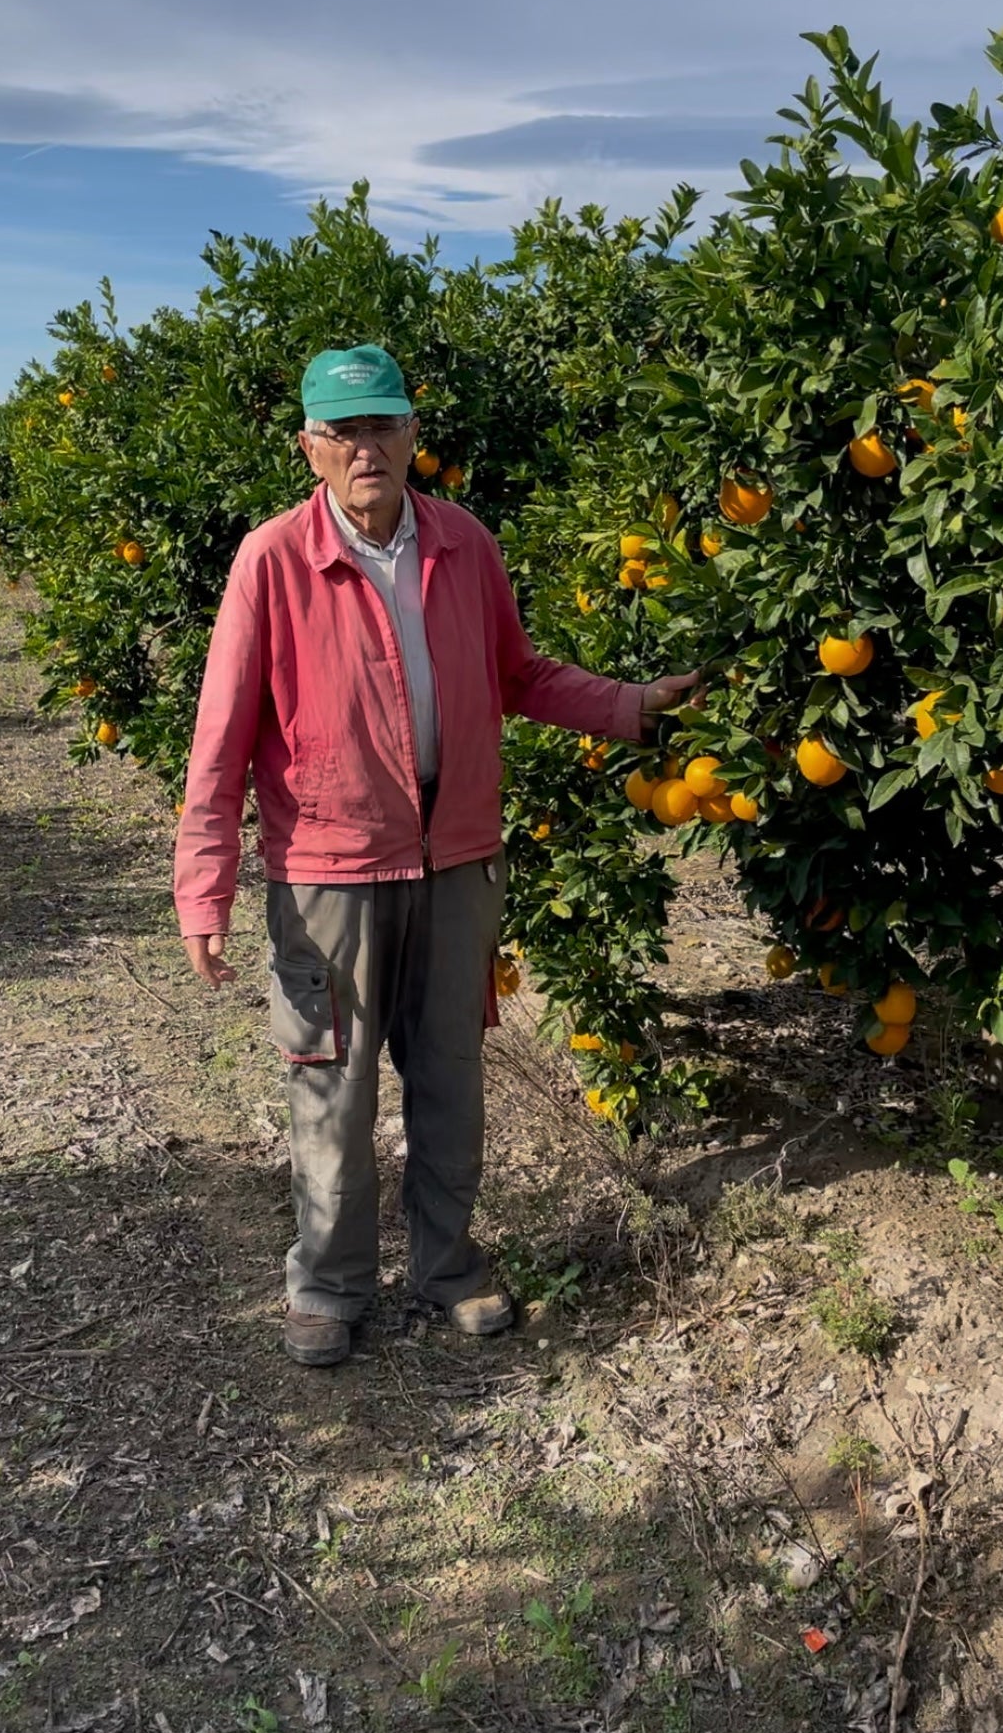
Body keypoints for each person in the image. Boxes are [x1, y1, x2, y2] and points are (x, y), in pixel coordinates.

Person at [175, 344, 700, 1366]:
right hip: (329, 874)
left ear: (414, 435)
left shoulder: (464, 543)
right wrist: (205, 890)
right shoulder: (272, 560)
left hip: (457, 864)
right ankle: (329, 1286)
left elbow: (520, 674)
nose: (365, 449)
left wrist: (631, 706)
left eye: (383, 426)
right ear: (310, 447)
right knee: (333, 1089)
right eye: (343, 432)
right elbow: (220, 737)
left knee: (452, 1080)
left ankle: (449, 1266)